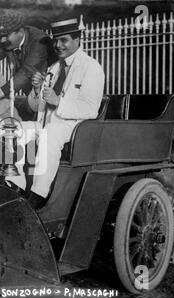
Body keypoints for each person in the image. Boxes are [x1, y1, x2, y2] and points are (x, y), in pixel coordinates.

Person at [13, 17, 105, 209]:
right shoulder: (54, 68)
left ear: (78, 40)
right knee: (13, 128)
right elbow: (39, 109)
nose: (58, 45)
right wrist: (37, 90)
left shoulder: (91, 67)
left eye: (64, 40)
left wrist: (58, 101)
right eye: (56, 40)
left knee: (51, 134)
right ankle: (16, 185)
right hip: (47, 124)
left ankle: (39, 195)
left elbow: (90, 109)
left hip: (73, 127)